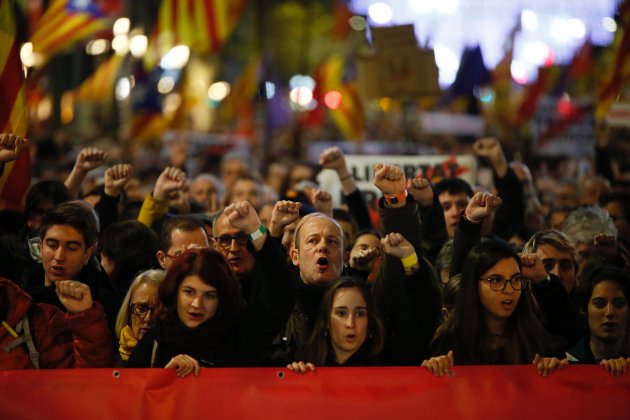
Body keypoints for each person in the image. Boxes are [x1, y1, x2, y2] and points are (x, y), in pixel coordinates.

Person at [127, 201, 294, 375]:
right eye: (189, 292)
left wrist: (255, 229)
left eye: (209, 295)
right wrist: (164, 377)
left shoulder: (239, 336)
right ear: (175, 292)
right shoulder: (155, 341)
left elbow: (280, 294)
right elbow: (130, 394)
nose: (197, 303)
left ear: (221, 299)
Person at [422, 240, 567, 377]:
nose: (509, 289)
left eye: (516, 279)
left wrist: (551, 366)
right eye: (496, 280)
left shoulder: (535, 337)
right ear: (474, 285)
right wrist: (436, 366)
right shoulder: (450, 340)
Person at [0, 277, 112, 369]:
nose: (59, 256)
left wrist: (85, 318)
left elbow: (87, 384)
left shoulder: (39, 321)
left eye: (71, 248)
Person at [287, 278, 385, 372]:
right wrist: (297, 378)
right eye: (341, 313)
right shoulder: (305, 360)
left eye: (360, 314)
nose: (350, 324)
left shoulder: (385, 368)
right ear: (326, 320)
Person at [565, 266, 630, 376]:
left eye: (619, 304)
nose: (609, 312)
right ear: (584, 310)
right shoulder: (568, 362)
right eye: (600, 304)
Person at [114, 269, 165, 363]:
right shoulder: (109, 352)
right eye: (141, 308)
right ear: (129, 310)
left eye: (157, 310)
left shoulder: (173, 357)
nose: (148, 318)